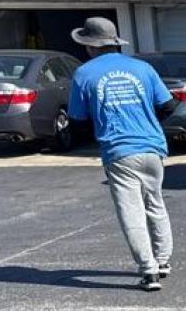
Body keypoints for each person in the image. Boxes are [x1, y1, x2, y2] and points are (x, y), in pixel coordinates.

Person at [67, 16, 176, 291]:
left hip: (119, 150)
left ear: (91, 45)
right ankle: (163, 260)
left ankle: (148, 270)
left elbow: (77, 119)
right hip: (153, 146)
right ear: (114, 43)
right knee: (155, 203)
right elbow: (168, 105)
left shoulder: (84, 73)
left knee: (131, 210)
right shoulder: (143, 68)